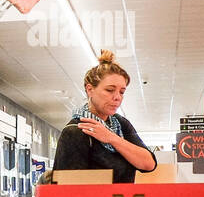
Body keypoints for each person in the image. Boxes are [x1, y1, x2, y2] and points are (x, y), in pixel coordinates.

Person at [52, 50, 156, 183]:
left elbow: (149, 164)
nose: (117, 97)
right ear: (90, 90)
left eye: (122, 92)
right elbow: (67, 190)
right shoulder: (76, 131)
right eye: (110, 90)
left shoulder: (121, 124)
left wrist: (111, 138)